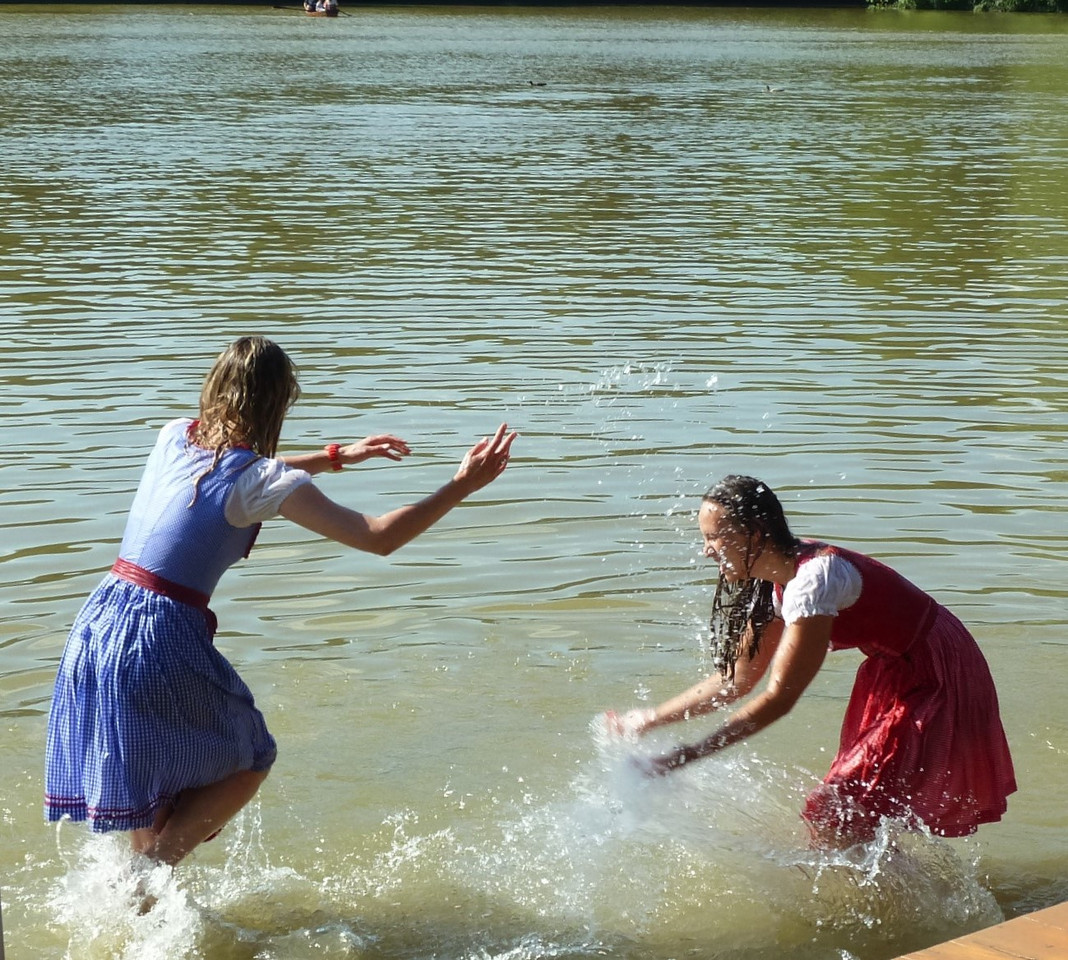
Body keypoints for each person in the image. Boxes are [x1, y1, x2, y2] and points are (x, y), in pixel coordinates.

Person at [45, 336, 517, 867]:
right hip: (158, 635)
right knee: (251, 758)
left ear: (216, 387)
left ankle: (143, 905)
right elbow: (379, 536)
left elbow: (241, 467)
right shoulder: (262, 479)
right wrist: (460, 486)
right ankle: (146, 875)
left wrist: (335, 457)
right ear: (278, 403)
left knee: (155, 789)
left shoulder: (174, 436)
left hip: (98, 623)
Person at [606, 475, 1015, 846]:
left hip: (936, 668)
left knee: (836, 812)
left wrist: (686, 755)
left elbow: (779, 699)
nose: (705, 551)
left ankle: (918, 908)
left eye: (714, 538)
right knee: (851, 813)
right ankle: (912, 900)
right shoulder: (775, 580)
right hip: (895, 666)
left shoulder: (813, 581)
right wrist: (648, 720)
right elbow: (736, 681)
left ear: (754, 533)